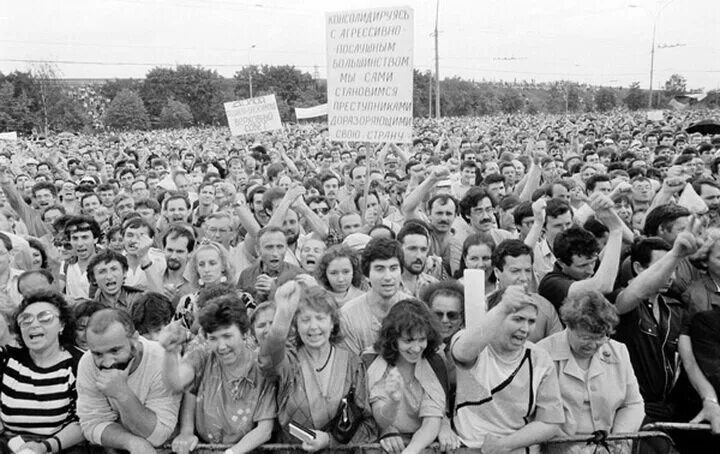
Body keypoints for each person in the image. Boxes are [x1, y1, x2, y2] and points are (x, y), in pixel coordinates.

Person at [260, 281, 377, 449]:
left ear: (332, 323)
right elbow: (267, 362)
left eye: (320, 318)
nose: (313, 327)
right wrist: (282, 315)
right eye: (305, 319)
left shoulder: (352, 364)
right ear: (296, 326)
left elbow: (368, 425)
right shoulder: (289, 360)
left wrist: (330, 440)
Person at [451, 285, 565, 452]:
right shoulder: (474, 342)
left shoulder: (540, 358)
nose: (525, 329)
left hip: (516, 448)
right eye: (517, 319)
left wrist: (503, 445)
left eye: (531, 321)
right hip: (469, 447)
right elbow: (462, 352)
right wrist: (504, 307)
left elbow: (550, 422)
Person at [159, 294, 276, 453]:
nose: (221, 347)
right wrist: (170, 351)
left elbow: (264, 430)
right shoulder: (203, 354)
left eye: (227, 336)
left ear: (245, 333)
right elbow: (177, 383)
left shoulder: (262, 367)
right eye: (213, 338)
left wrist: (231, 453)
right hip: (204, 445)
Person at [538, 290, 644, 454]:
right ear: (569, 326)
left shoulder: (618, 352)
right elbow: (535, 414)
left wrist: (618, 440)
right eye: (586, 338)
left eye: (601, 337)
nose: (594, 345)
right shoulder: (542, 354)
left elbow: (633, 404)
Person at [76, 308, 181, 453]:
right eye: (98, 354)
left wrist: (123, 394)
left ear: (135, 339)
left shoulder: (163, 360)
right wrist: (131, 442)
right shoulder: (87, 363)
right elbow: (91, 424)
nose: (107, 363)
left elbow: (159, 435)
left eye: (115, 351)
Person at [0, 291, 85, 453]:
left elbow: (83, 422)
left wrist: (44, 447)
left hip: (57, 448)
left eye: (45, 318)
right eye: (25, 320)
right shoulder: (7, 358)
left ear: (62, 324)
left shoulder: (79, 364)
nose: (34, 324)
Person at [368, 299, 446, 454]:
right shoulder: (374, 363)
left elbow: (432, 420)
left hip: (421, 445)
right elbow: (381, 419)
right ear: (393, 340)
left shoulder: (434, 362)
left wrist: (410, 451)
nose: (416, 348)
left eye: (422, 340)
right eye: (408, 341)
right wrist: (393, 401)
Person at [339, 238, 411, 356]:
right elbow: (351, 367)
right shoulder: (347, 316)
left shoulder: (415, 310)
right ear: (367, 275)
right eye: (379, 269)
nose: (388, 277)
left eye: (393, 268)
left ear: (401, 272)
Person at [176, 240, 237, 331]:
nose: (206, 269)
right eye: (201, 264)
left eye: (212, 263)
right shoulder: (187, 302)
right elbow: (177, 336)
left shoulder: (242, 298)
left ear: (223, 266)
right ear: (196, 269)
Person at [397, 221, 438, 298]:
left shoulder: (433, 285)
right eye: (412, 249)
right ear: (399, 249)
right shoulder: (388, 285)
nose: (419, 256)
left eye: (423, 249)